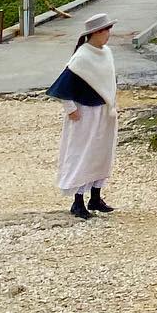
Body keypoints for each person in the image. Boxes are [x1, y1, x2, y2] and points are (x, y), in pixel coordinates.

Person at [47, 12, 119, 220]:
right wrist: (71, 109)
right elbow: (64, 86)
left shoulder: (106, 53)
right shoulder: (81, 57)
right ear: (96, 32)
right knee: (83, 153)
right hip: (86, 112)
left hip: (104, 111)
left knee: (102, 153)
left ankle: (95, 196)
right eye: (106, 30)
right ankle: (77, 201)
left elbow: (109, 81)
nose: (108, 34)